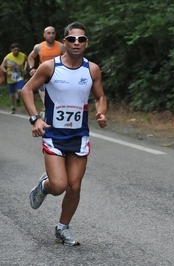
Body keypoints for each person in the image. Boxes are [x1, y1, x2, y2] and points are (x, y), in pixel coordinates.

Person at [20, 22, 107, 246]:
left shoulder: (92, 69)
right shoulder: (50, 67)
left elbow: (99, 96)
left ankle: (62, 228)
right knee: (59, 186)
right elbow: (27, 90)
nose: (76, 43)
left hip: (79, 135)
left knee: (74, 186)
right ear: (64, 42)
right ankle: (44, 186)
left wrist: (101, 112)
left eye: (81, 39)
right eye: (71, 39)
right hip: (53, 134)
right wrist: (35, 118)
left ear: (86, 43)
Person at [28, 26, 66, 117]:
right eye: (49, 33)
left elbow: (68, 58)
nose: (51, 35)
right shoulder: (39, 47)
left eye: (53, 33)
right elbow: (30, 57)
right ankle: (46, 113)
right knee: (46, 100)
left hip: (57, 75)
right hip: (43, 74)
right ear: (44, 35)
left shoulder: (61, 46)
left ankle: (51, 114)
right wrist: (31, 68)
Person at [0, 43, 27, 114]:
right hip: (11, 77)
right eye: (15, 50)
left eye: (18, 50)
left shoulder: (23, 55)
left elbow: (27, 61)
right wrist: (6, 72)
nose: (16, 52)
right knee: (12, 94)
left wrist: (25, 68)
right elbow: (2, 66)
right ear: (11, 50)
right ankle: (13, 107)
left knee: (20, 91)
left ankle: (18, 98)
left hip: (19, 77)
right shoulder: (7, 57)